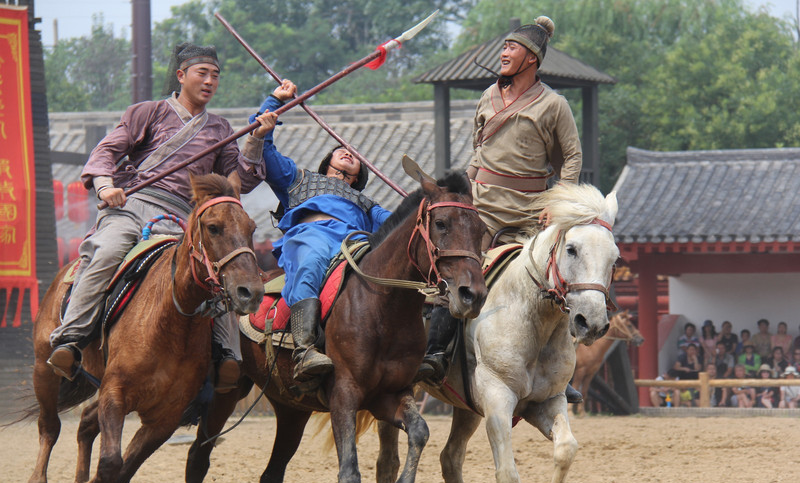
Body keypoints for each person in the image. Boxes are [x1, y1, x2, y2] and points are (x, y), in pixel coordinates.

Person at [47, 43, 269, 392]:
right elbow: (106, 151)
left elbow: (239, 182)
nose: (210, 81)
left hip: (181, 220)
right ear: (181, 76)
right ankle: (70, 339)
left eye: (216, 76)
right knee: (107, 251)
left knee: (216, 266)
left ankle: (226, 352)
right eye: (202, 73)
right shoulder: (147, 112)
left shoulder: (221, 129)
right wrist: (106, 188)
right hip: (131, 207)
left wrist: (256, 138)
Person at [419, 16, 584, 404]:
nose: (503, 53)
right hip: (484, 208)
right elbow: (480, 152)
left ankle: (559, 372)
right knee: (458, 271)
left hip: (531, 211)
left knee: (554, 281)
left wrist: (559, 205)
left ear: (531, 59)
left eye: (511, 48)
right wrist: (459, 189)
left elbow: (572, 158)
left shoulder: (555, 105)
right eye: (503, 48)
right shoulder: (488, 97)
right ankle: (434, 353)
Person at [250, 80, 391, 383]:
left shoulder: (366, 204)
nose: (348, 152)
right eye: (342, 149)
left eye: (355, 154)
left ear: (358, 177)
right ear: (328, 160)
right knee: (311, 260)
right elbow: (263, 142)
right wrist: (275, 101)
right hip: (310, 237)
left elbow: (398, 223)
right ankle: (303, 348)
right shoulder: (298, 179)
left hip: (353, 246)